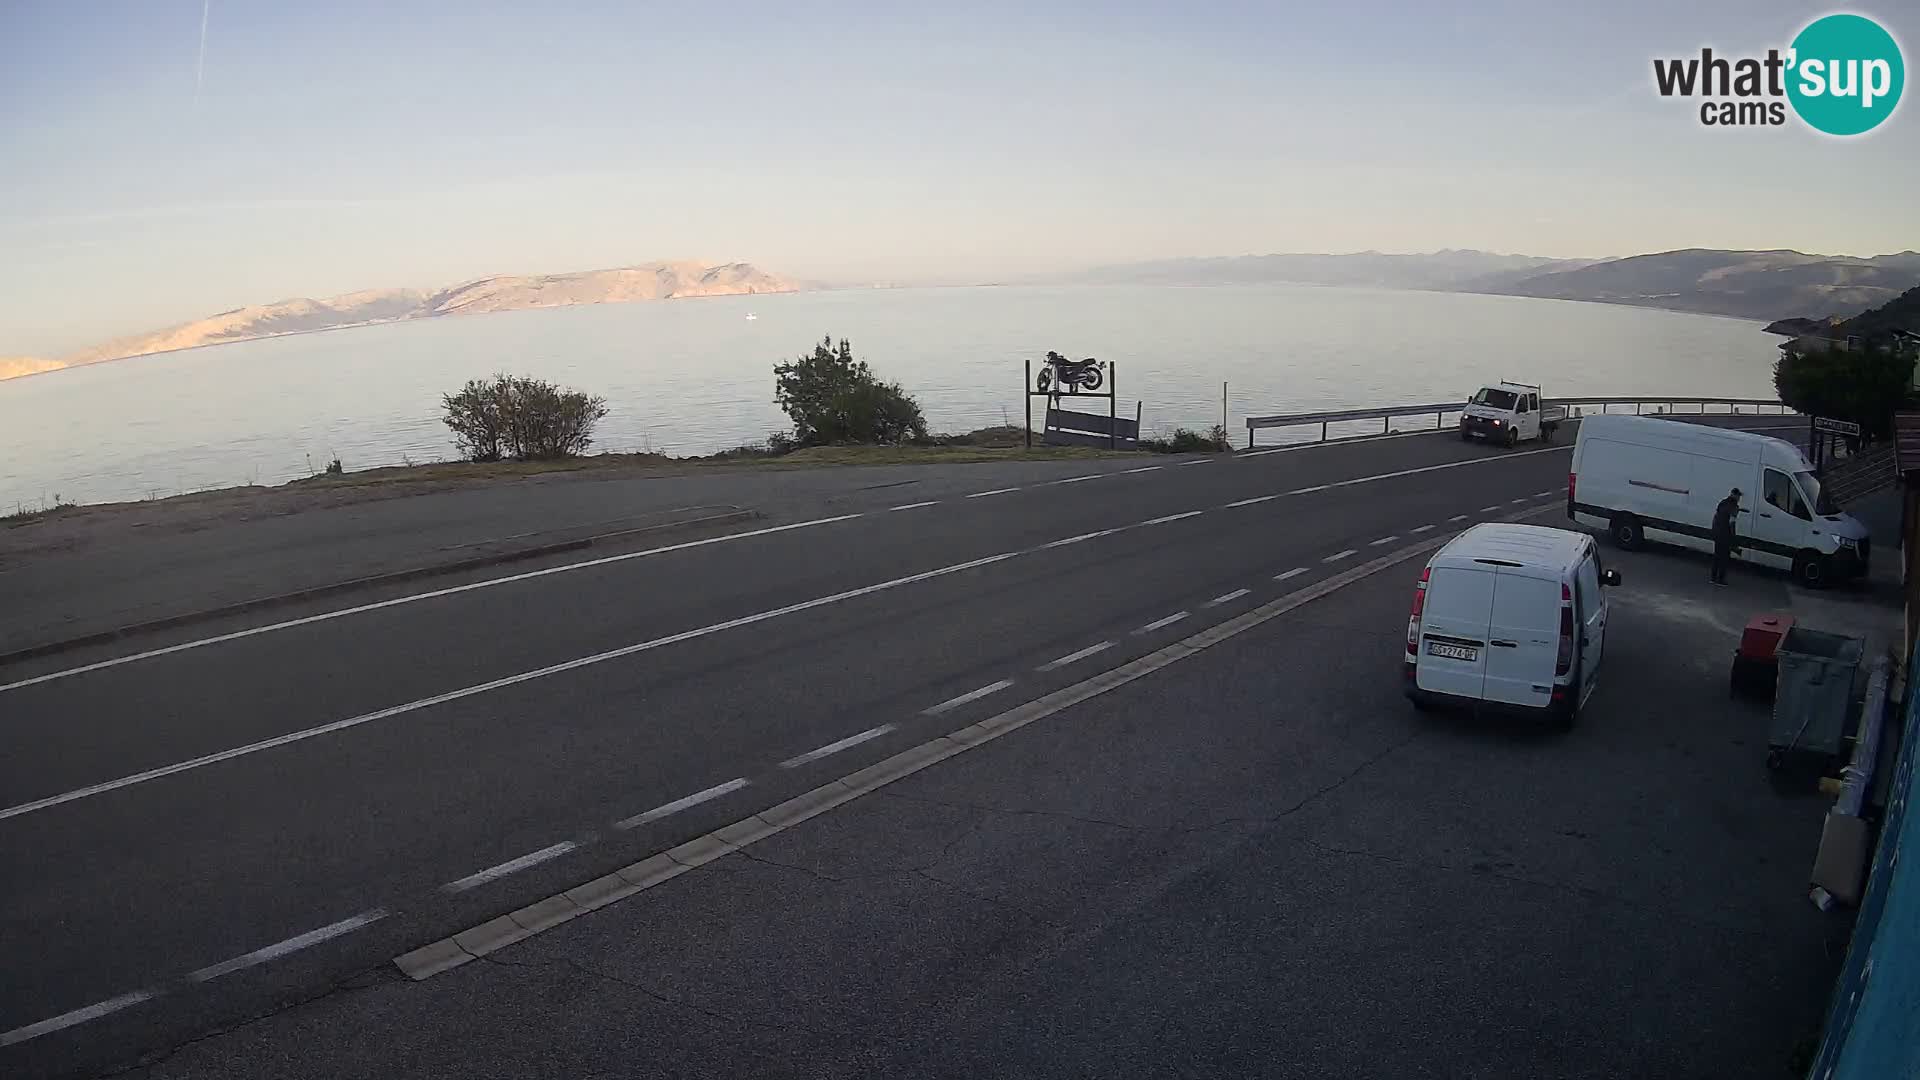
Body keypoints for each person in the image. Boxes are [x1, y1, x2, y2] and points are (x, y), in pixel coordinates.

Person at [1711, 487, 1742, 586]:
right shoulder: (1734, 507)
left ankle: (1713, 577)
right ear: (1735, 495)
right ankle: (1720, 579)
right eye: (1739, 496)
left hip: (1717, 532)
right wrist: (1733, 538)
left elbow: (1715, 517)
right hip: (1725, 534)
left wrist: (1714, 531)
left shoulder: (1722, 502)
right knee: (1724, 558)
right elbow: (1731, 523)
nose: (1739, 498)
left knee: (1717, 556)